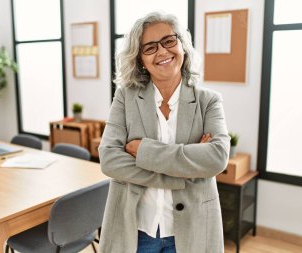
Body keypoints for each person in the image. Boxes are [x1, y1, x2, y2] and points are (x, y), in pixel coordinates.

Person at [98, 11, 230, 253]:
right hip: (137, 229)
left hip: (191, 228)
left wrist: (144, 151)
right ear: (140, 59)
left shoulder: (209, 101)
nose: (161, 52)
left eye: (169, 41)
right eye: (149, 47)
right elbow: (108, 159)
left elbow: (217, 157)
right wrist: (184, 172)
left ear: (182, 45)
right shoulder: (125, 98)